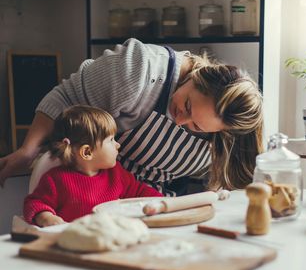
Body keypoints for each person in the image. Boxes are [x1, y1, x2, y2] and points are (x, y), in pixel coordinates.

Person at [0, 38, 263, 195]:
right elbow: (64, 99)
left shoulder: (231, 134)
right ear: (195, 76)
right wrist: (27, 150)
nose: (181, 121)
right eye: (187, 106)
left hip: (153, 208)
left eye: (196, 126)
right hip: (91, 192)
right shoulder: (138, 68)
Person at [24, 105, 162, 227]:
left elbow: (139, 191)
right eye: (111, 140)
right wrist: (46, 217)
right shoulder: (55, 180)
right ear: (87, 152)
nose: (117, 145)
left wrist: (164, 202)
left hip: (111, 237)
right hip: (73, 243)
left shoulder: (116, 173)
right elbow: (35, 203)